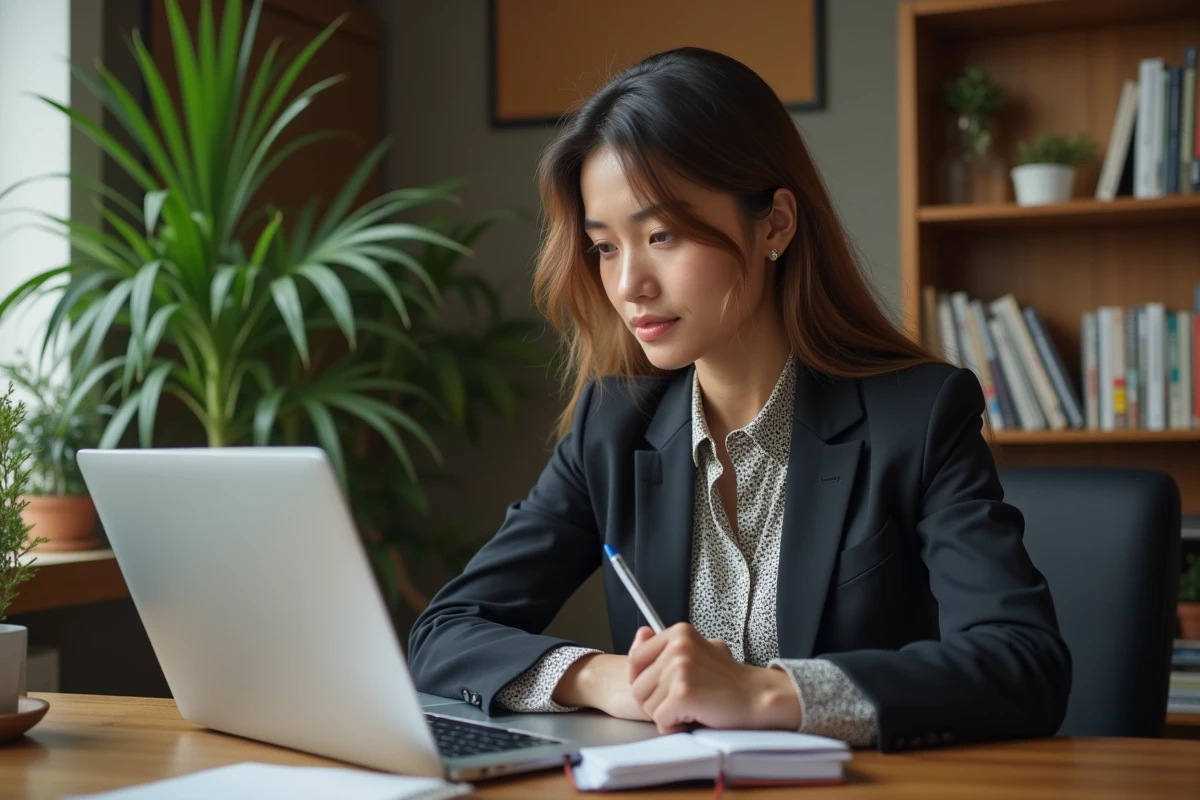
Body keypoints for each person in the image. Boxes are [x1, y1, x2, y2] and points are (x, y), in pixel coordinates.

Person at [407, 47, 1070, 752]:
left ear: (775, 224)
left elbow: (1024, 664)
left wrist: (764, 693)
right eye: (605, 247)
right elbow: (445, 632)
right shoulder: (613, 425)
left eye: (661, 235)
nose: (629, 285)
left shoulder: (919, 416)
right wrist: (608, 678)